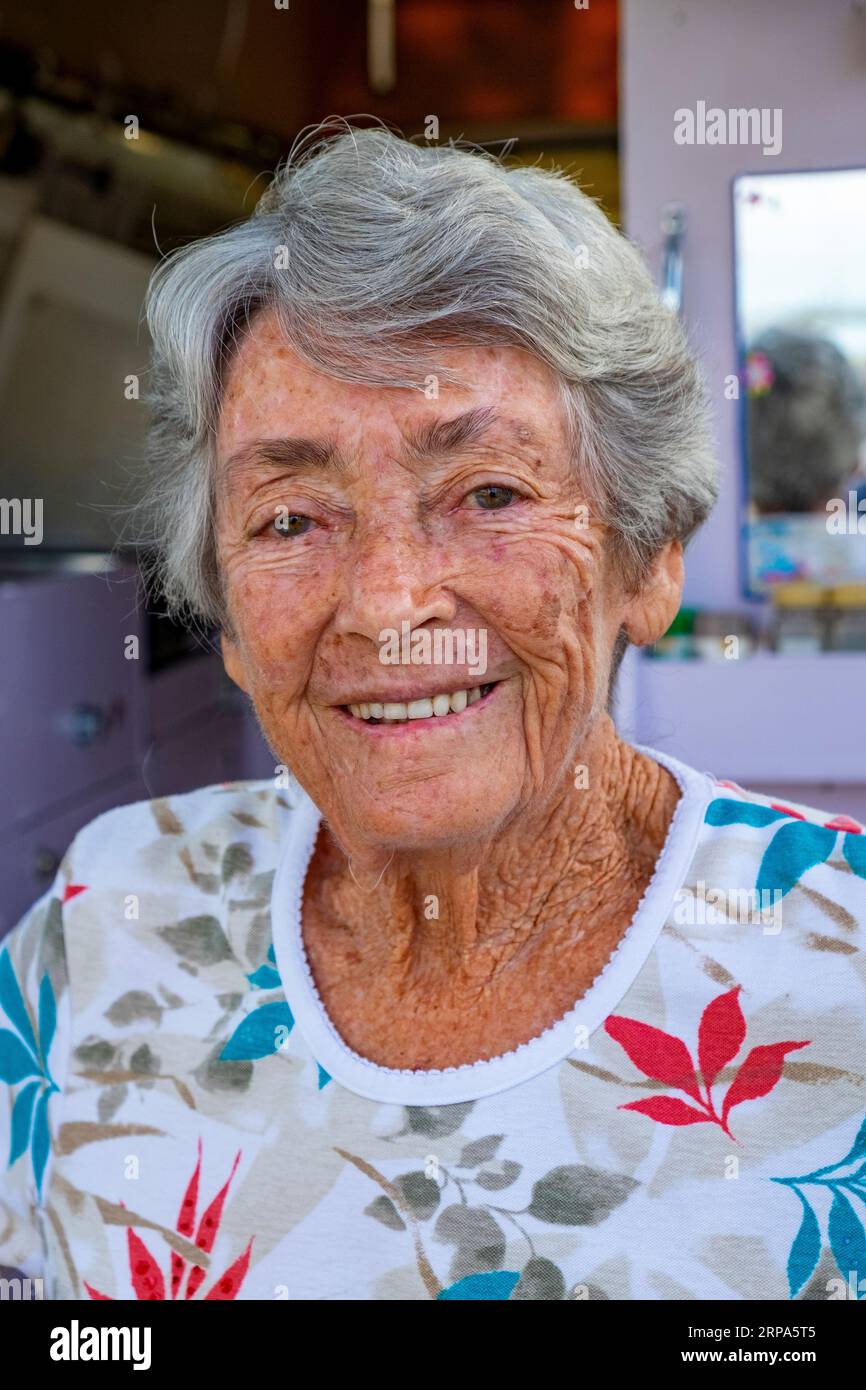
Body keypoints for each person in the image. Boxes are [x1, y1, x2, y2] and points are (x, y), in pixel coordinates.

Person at [2, 124, 864, 1302]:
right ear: (231, 620)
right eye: (292, 519)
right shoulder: (107, 919)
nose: (388, 604)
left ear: (647, 558)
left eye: (489, 492)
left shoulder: (839, 972)